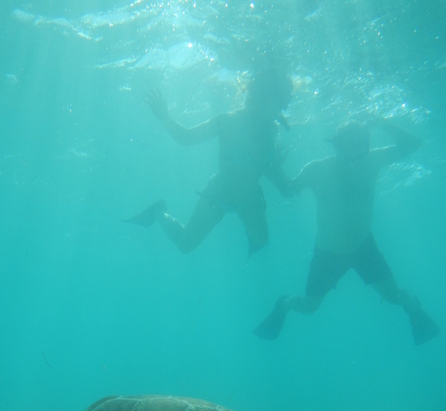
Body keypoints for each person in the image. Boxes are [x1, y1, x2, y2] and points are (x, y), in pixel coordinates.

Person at [254, 118, 440, 346]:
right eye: (347, 146)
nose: (354, 155)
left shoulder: (372, 160)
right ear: (336, 145)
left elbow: (414, 144)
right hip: (327, 253)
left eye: (360, 145)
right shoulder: (316, 169)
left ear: (367, 145)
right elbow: (287, 191)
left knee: (394, 298)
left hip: (363, 247)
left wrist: (382, 122)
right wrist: (273, 168)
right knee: (309, 307)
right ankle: (284, 304)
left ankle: (413, 306)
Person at [126, 70, 294, 256]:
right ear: (262, 97)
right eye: (280, 104)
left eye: (284, 105)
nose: (281, 110)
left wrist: (275, 165)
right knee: (185, 244)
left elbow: (258, 167)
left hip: (249, 199)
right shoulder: (228, 121)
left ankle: (250, 232)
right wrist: (165, 118)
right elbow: (187, 137)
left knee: (262, 240)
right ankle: (158, 213)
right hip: (218, 197)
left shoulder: (272, 129)